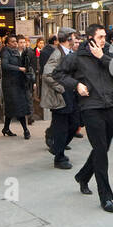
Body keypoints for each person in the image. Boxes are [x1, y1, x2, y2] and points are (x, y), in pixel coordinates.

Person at [55, 24, 113, 212]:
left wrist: (102, 57)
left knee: (104, 146)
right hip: (90, 107)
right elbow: (57, 74)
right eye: (100, 37)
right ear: (90, 38)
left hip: (109, 105)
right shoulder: (76, 57)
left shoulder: (107, 53)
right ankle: (106, 196)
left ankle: (83, 176)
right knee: (100, 150)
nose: (103, 40)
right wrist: (76, 85)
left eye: (104, 36)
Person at [42, 28, 79, 170]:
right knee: (61, 128)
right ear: (67, 39)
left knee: (75, 123)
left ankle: (57, 147)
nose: (75, 39)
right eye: (73, 37)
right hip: (61, 96)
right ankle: (59, 157)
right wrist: (61, 88)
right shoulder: (57, 54)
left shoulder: (70, 53)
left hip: (72, 93)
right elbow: (47, 74)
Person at [0, 35, 32, 139]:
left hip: (18, 82)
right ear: (8, 43)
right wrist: (19, 68)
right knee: (19, 106)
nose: (15, 43)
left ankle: (6, 128)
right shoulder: (5, 52)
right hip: (10, 84)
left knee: (12, 107)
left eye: (15, 42)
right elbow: (4, 65)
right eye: (12, 42)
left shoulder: (17, 52)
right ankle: (26, 130)